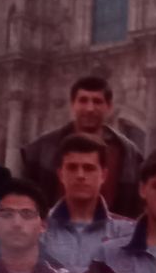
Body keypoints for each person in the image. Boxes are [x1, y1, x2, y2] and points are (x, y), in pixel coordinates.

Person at [22, 74, 142, 220]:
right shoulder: (41, 150)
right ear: (73, 104)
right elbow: (25, 200)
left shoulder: (129, 154)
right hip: (53, 229)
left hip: (111, 232)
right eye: (83, 100)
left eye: (97, 101)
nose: (90, 108)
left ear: (109, 107)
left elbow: (136, 208)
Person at [42, 134, 133, 272]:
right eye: (72, 167)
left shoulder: (127, 233)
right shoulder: (37, 228)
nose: (80, 175)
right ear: (61, 174)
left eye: (89, 168)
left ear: (103, 175)